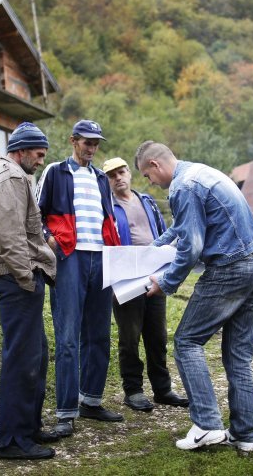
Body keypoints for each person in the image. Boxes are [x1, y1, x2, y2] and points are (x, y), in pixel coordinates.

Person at [133, 141, 253, 452]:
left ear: (155, 165)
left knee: (186, 342)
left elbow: (192, 246)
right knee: (238, 356)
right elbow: (181, 229)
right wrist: (148, 252)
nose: (149, 182)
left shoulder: (182, 187)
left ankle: (207, 424)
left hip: (230, 269)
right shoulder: (199, 173)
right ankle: (245, 435)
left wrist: (165, 282)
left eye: (146, 175)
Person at [0, 121, 60, 460]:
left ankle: (29, 428)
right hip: (16, 279)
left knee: (35, 355)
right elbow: (9, 237)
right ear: (21, 150)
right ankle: (12, 441)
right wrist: (28, 278)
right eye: (38, 154)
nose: (40, 160)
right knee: (21, 359)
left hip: (18, 277)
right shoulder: (10, 177)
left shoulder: (12, 174)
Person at [36, 119, 123, 437]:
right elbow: (35, 211)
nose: (92, 148)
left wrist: (117, 255)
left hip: (100, 260)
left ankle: (91, 401)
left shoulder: (102, 178)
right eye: (87, 142)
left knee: (99, 335)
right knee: (69, 337)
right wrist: (49, 240)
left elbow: (109, 218)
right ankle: (65, 411)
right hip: (69, 259)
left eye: (96, 143)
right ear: (73, 141)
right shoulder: (56, 172)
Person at [102, 156, 190, 412]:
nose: (118, 178)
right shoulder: (106, 207)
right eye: (112, 175)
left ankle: (162, 390)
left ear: (130, 173)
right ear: (107, 180)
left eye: (121, 172)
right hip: (125, 277)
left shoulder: (147, 201)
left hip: (154, 275)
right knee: (129, 337)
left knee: (157, 336)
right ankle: (134, 391)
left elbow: (164, 233)